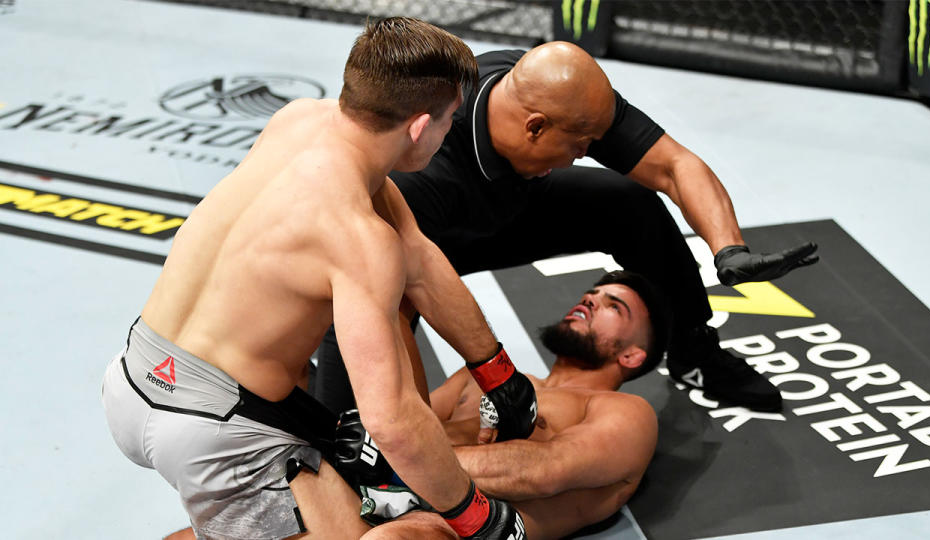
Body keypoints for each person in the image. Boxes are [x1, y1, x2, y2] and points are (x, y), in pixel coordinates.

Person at [101, 18, 535, 540]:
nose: (449, 136)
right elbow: (392, 420)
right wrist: (477, 517)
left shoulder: (300, 121)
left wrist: (499, 375)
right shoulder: (357, 239)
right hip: (211, 432)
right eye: (449, 121)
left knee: (347, 496)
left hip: (137, 375)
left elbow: (419, 257)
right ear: (420, 126)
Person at [314, 40, 818, 415]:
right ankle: (338, 431)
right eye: (579, 147)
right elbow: (361, 308)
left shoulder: (557, 91)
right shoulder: (426, 169)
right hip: (421, 238)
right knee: (379, 326)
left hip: (505, 204)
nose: (584, 155)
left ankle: (697, 352)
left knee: (629, 202)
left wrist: (728, 249)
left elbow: (672, 165)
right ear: (535, 127)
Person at [340, 270, 667, 540]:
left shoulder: (626, 411)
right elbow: (407, 419)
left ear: (632, 355)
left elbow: (542, 471)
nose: (590, 300)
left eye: (614, 306)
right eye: (592, 295)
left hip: (450, 530)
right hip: (370, 497)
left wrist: (399, 462)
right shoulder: (478, 379)